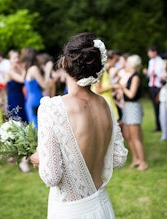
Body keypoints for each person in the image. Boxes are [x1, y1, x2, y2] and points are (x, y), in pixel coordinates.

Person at [29, 32, 128, 218]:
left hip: (71, 210)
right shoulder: (105, 104)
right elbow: (118, 158)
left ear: (64, 63)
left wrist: (39, 157)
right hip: (102, 206)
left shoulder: (52, 108)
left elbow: (51, 176)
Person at [117, 55, 148, 171]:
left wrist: (123, 88)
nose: (126, 64)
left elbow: (131, 94)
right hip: (128, 107)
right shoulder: (130, 76)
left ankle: (143, 162)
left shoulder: (135, 77)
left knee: (135, 137)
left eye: (128, 63)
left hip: (133, 107)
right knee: (128, 136)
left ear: (133, 65)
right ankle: (136, 159)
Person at [22, 48, 52, 128]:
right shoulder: (34, 68)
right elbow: (45, 85)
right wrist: (48, 71)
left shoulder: (26, 68)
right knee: (39, 127)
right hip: (36, 100)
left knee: (34, 127)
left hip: (29, 101)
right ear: (36, 57)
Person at [91, 50, 119, 121]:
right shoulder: (101, 73)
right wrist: (112, 86)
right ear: (109, 60)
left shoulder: (107, 71)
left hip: (109, 101)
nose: (116, 62)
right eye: (115, 60)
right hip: (103, 102)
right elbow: (98, 90)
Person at [144, 46, 163, 132]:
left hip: (158, 86)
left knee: (160, 107)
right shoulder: (150, 62)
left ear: (155, 52)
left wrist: (155, 74)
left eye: (150, 52)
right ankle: (158, 125)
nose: (148, 54)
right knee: (155, 107)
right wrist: (147, 73)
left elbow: (162, 74)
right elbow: (150, 75)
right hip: (152, 85)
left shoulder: (161, 61)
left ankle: (162, 125)